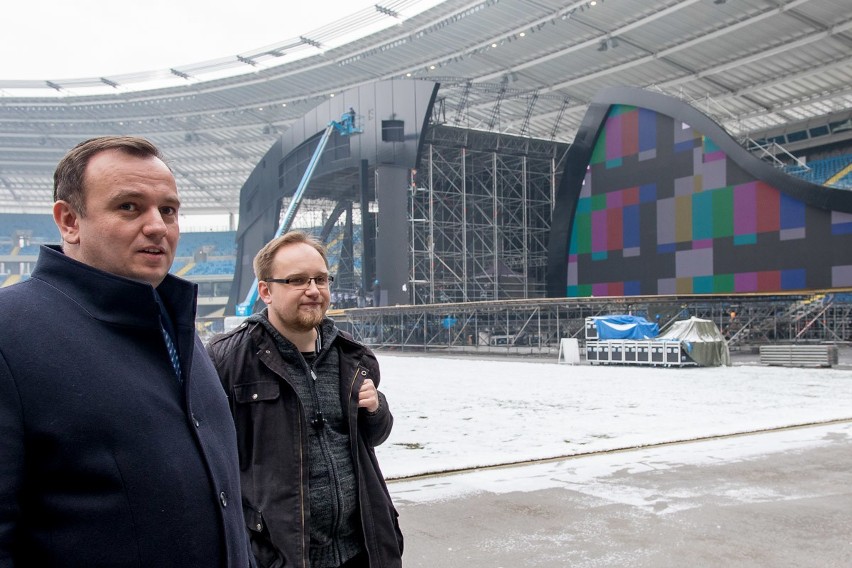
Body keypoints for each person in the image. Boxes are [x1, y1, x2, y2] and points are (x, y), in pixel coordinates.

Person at [0, 136, 253, 567]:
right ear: (69, 221)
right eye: (129, 207)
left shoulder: (177, 327)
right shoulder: (10, 332)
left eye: (168, 210)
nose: (157, 226)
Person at [207, 232, 403, 568]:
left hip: (361, 551)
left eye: (321, 279)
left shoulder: (353, 357)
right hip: (279, 556)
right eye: (297, 280)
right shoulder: (227, 359)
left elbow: (375, 438)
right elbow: (211, 460)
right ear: (266, 291)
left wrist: (376, 409)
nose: (313, 290)